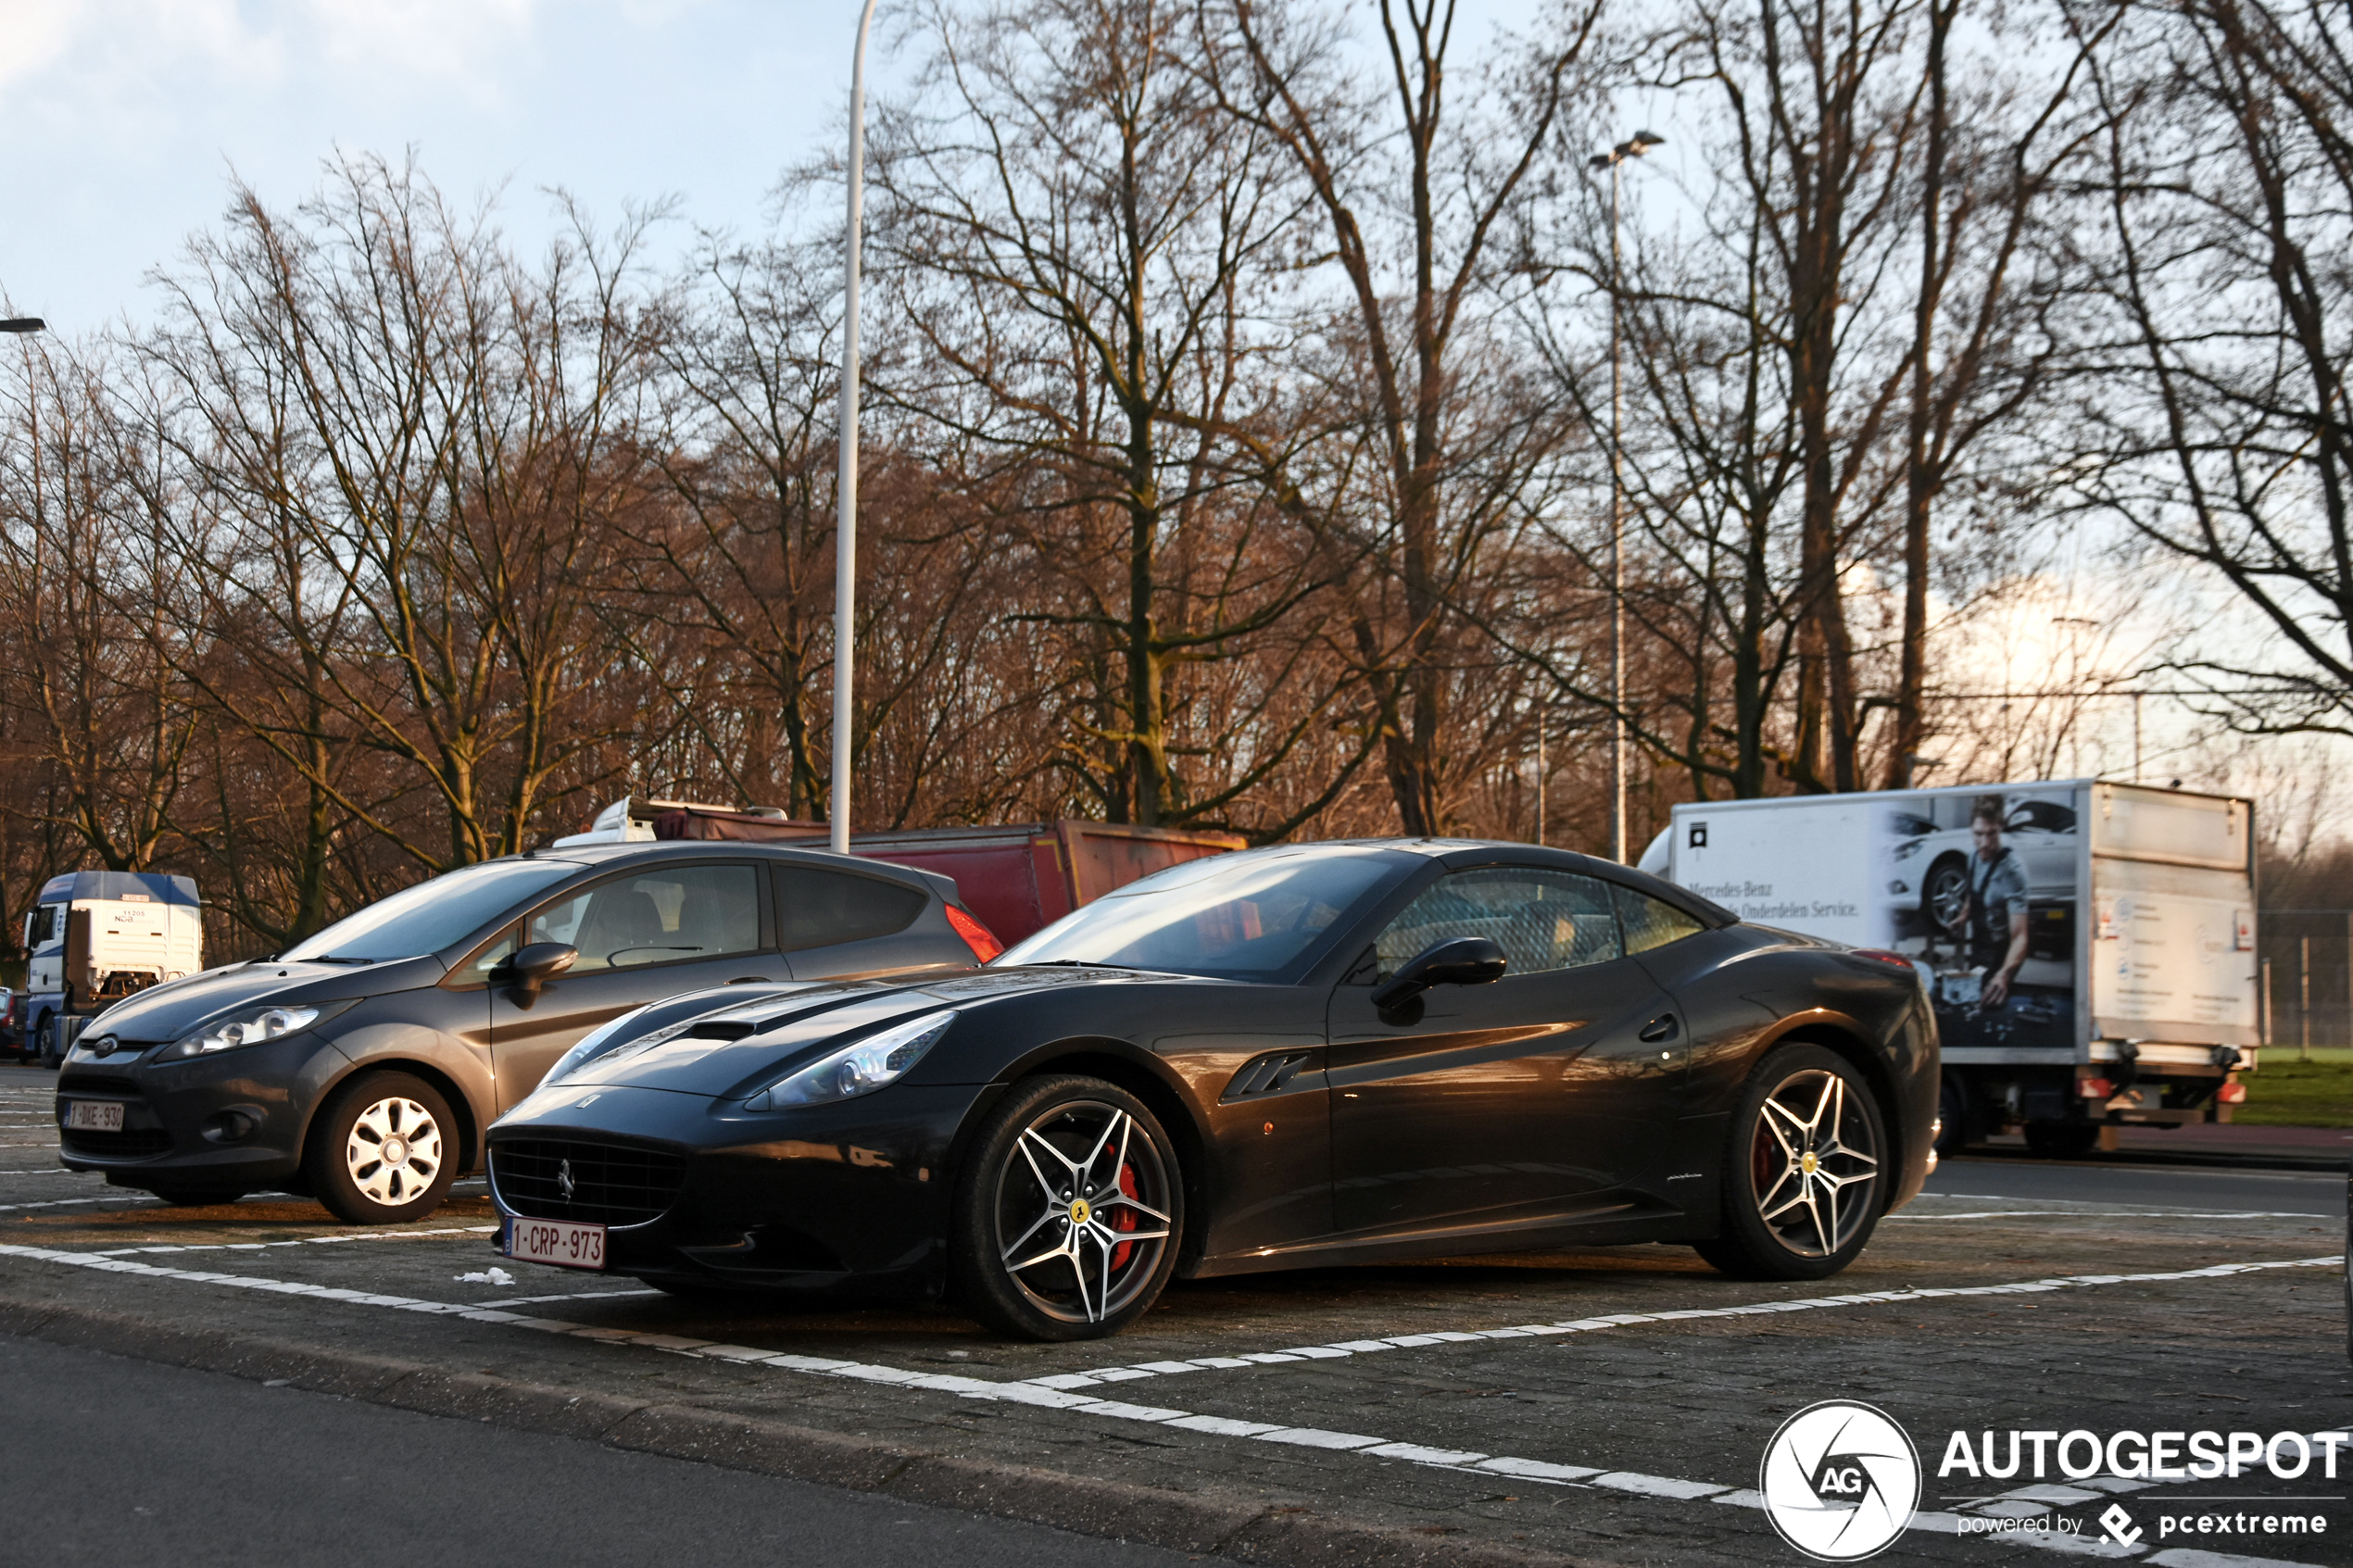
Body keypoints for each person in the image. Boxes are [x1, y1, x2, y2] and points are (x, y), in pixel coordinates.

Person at [1946, 794, 2031, 1008]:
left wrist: (2004, 974)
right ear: (1970, 830)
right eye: (1978, 834)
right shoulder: (1973, 857)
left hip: (2002, 956)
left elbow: (2020, 937)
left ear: (2000, 827)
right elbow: (1974, 894)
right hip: (1979, 948)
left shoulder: (2012, 871)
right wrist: (1963, 917)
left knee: (1994, 1009)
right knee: (1969, 1003)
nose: (1984, 843)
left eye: (1991, 834)